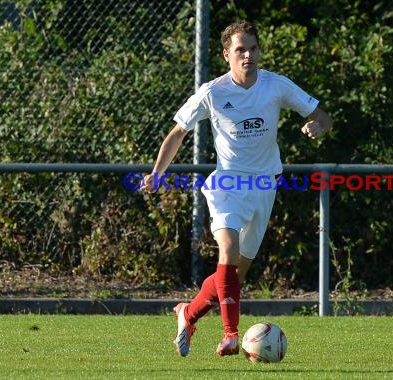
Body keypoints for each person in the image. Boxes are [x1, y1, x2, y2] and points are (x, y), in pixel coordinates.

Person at [142, 20, 332, 357]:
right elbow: (177, 132)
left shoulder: (275, 86)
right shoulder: (213, 92)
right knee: (226, 250)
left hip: (264, 186)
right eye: (240, 50)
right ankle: (231, 335)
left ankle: (188, 314)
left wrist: (318, 126)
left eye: (253, 48)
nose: (248, 55)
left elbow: (323, 116)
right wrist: (158, 174)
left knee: (231, 279)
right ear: (227, 55)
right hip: (228, 183)